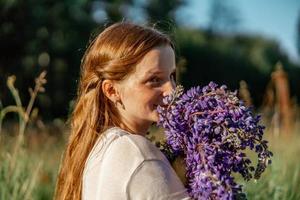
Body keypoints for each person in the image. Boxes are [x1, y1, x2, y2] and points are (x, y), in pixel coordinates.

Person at [55, 22, 191, 200]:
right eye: (154, 79)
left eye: (172, 76)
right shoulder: (138, 153)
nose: (172, 91)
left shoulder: (101, 146)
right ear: (111, 90)